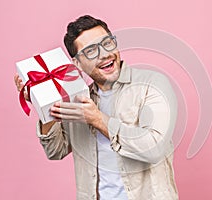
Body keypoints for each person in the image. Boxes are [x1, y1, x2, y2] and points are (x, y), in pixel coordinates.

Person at [14, 15, 178, 200]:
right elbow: (55, 151)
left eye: (107, 43)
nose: (105, 54)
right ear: (77, 63)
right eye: (91, 50)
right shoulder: (77, 99)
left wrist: (97, 119)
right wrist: (41, 101)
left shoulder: (152, 84)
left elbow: (153, 149)